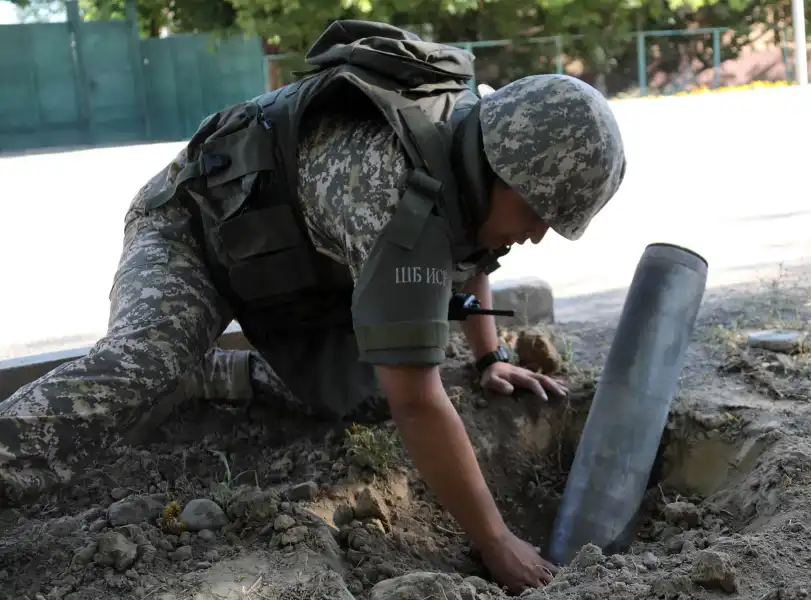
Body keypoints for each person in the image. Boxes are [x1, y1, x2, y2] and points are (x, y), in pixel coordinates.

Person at [0, 20, 626, 594]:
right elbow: (420, 398)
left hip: (296, 266)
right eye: (537, 212)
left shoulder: (478, 143)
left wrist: (493, 355)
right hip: (189, 230)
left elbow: (474, 249)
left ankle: (220, 373)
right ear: (499, 164)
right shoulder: (396, 205)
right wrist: (495, 543)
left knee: (370, 391)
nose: (539, 234)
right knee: (147, 361)